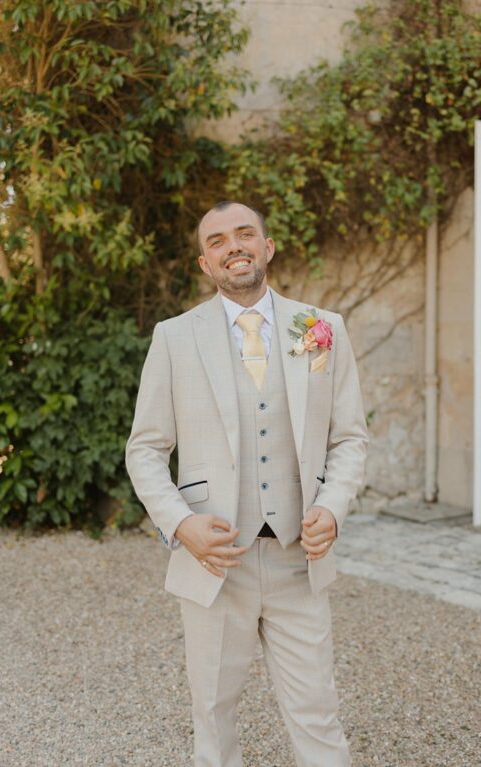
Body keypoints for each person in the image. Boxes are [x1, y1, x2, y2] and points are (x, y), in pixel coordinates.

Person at [124, 201, 368, 767]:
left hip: (297, 561)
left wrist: (332, 507)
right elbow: (145, 448)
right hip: (214, 564)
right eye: (217, 241)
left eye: (245, 234)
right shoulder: (174, 337)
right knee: (213, 716)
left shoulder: (321, 329)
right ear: (205, 263)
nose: (233, 246)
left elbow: (350, 437)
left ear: (268, 246)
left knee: (317, 714)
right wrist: (182, 525)